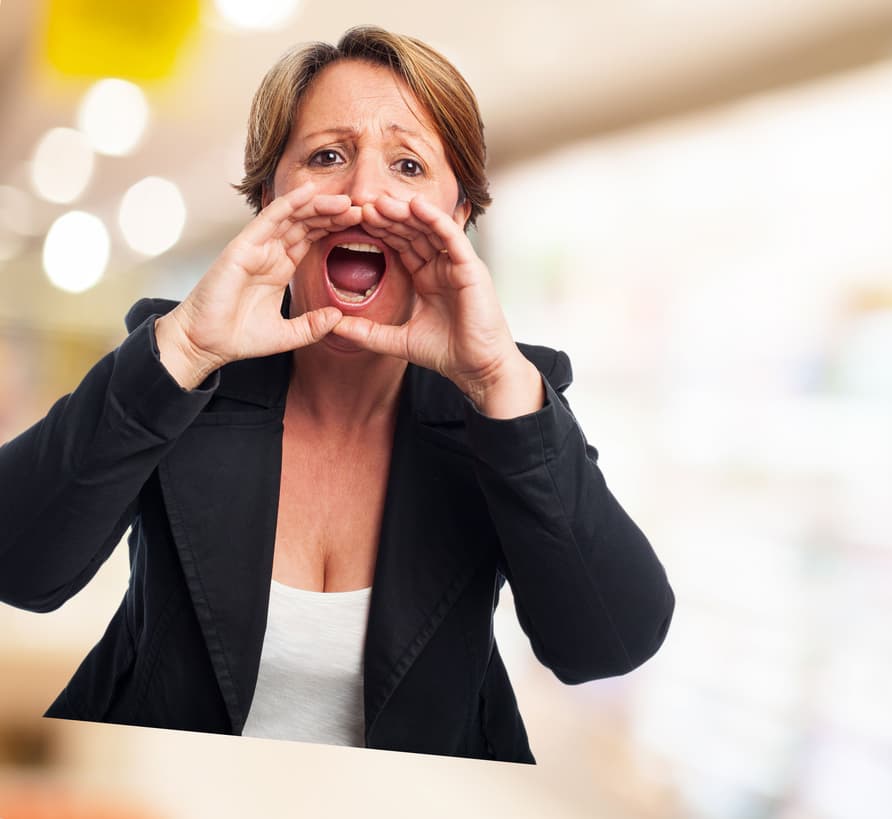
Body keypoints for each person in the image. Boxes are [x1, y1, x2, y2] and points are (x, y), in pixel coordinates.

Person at [0, 26, 674, 763]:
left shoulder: (504, 406)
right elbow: (19, 562)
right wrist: (185, 349)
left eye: (409, 165)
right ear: (268, 198)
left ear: (459, 218)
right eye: (327, 156)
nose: (363, 196)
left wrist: (496, 383)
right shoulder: (185, 368)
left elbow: (608, 642)